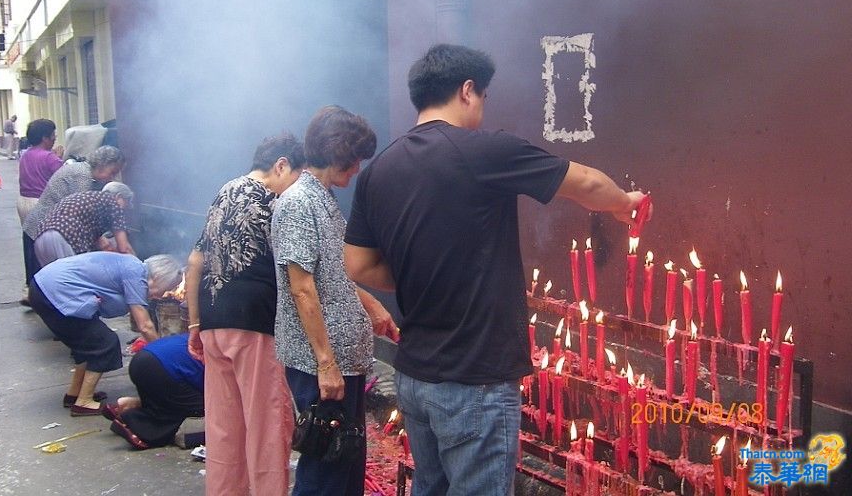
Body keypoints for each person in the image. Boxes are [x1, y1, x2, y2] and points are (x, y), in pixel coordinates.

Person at [343, 44, 649, 496]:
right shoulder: (484, 151)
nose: (482, 110)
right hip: (475, 380)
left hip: (415, 376)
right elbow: (584, 182)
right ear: (468, 91)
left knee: (431, 487)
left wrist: (417, 273)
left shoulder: (379, 170)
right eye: (483, 98)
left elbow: (359, 263)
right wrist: (626, 204)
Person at [271, 106, 399, 496]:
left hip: (345, 357)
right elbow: (302, 287)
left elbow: (333, 275)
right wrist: (326, 364)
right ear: (337, 152)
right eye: (356, 159)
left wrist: (373, 307)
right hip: (321, 362)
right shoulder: (297, 202)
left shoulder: (323, 199)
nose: (358, 169)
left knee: (346, 461)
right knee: (326, 462)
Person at [185, 134, 305, 496]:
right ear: (281, 165)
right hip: (255, 325)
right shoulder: (276, 201)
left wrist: (194, 324)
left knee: (224, 429)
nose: (295, 187)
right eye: (296, 176)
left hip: (212, 321)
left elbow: (194, 261)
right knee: (267, 427)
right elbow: (296, 272)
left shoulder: (224, 191)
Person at [28, 252, 183, 415]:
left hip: (44, 288)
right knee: (105, 343)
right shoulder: (136, 274)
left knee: (87, 343)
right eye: (164, 288)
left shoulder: (132, 266)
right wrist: (164, 357)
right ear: (157, 276)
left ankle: (74, 395)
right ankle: (84, 402)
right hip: (54, 293)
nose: (159, 296)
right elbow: (145, 325)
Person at [21, 145, 125, 306]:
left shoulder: (84, 172)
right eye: (112, 172)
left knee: (47, 278)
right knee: (57, 277)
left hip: (45, 227)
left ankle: (47, 304)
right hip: (44, 227)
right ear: (102, 164)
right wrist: (101, 240)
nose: (111, 178)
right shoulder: (81, 175)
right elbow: (81, 211)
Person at [100, 333, 204, 450]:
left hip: (143, 360)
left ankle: (131, 405)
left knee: (173, 400)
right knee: (205, 412)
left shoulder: (205, 335)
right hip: (162, 372)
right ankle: (138, 425)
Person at [33, 182, 136, 267]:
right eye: (125, 206)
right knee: (72, 285)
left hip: (40, 237)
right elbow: (124, 248)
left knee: (55, 284)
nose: (122, 211)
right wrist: (138, 266)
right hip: (63, 238)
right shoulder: (113, 203)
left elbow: (103, 246)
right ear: (119, 197)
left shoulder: (90, 199)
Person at [17, 119, 65, 298]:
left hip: (23, 202)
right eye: (53, 135)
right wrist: (60, 157)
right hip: (40, 203)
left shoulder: (26, 154)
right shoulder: (49, 157)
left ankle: (30, 286)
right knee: (44, 247)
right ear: (45, 137)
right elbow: (62, 176)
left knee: (30, 244)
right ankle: (39, 291)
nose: (55, 139)